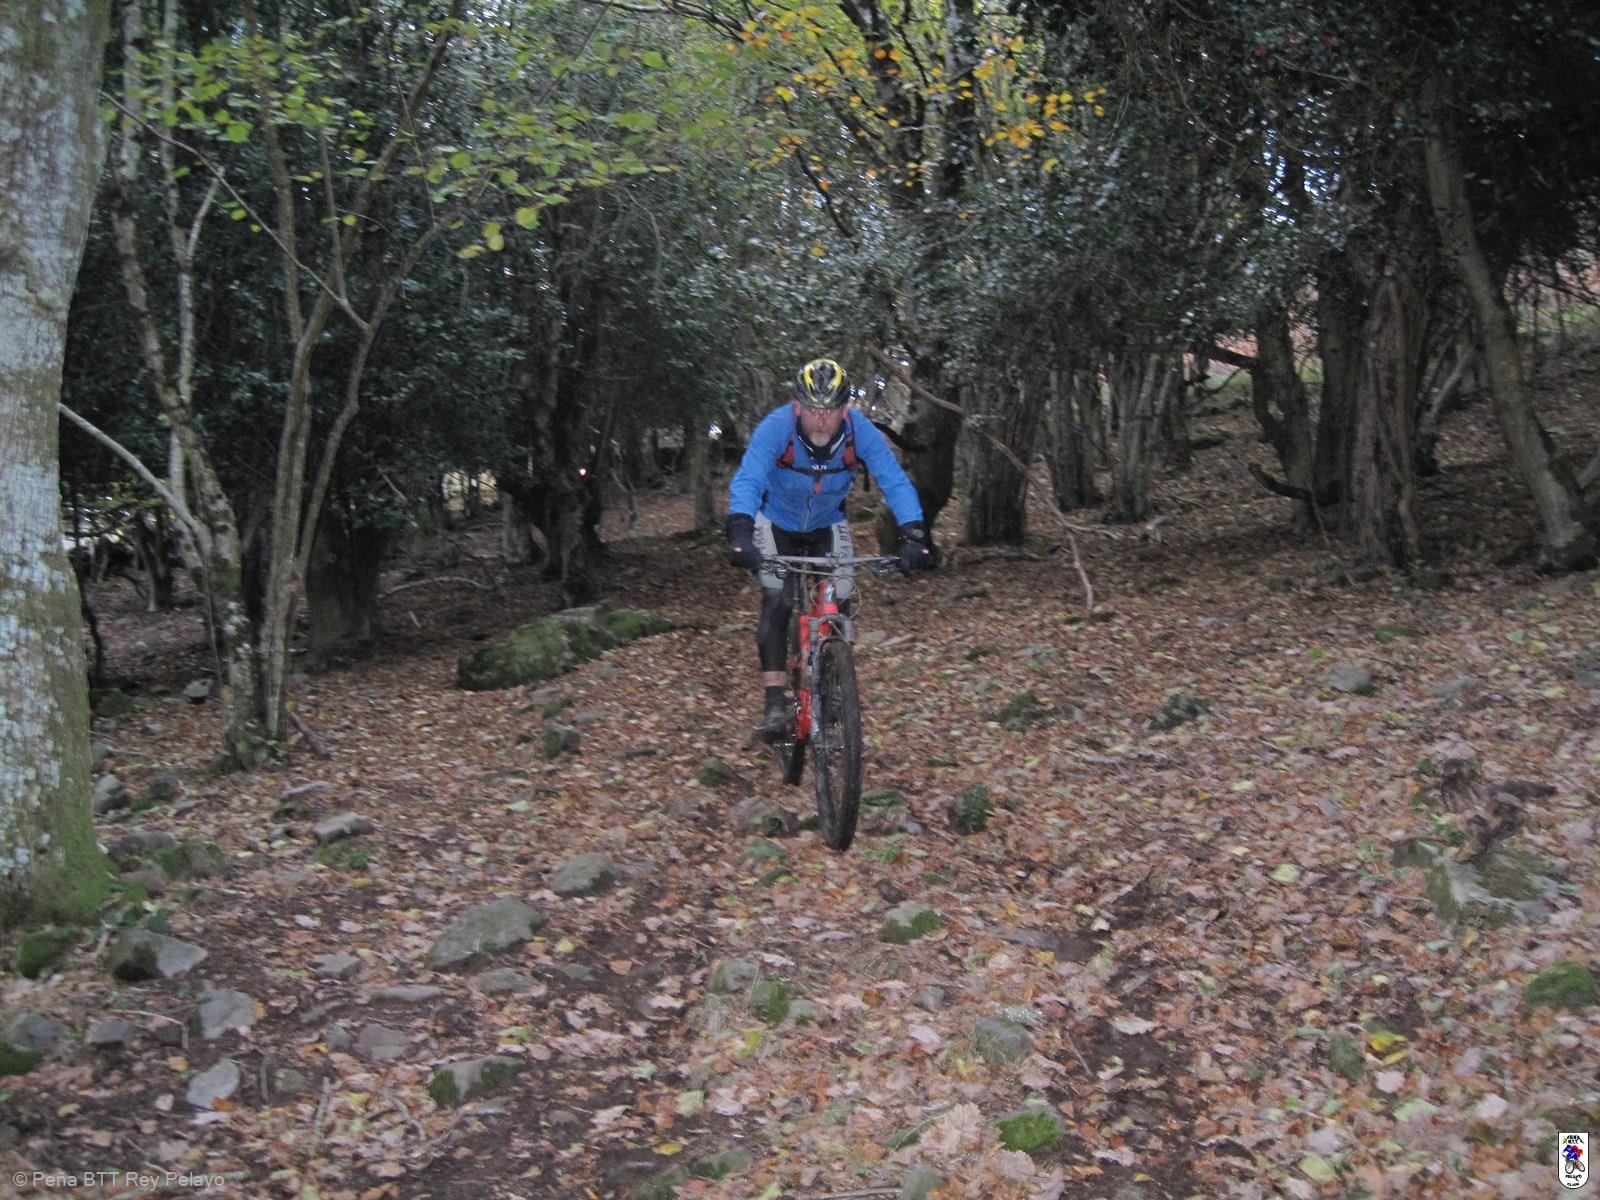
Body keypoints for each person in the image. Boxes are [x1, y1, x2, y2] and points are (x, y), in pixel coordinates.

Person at [725, 357, 933, 738]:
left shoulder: (860, 431)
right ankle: (775, 705)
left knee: (841, 595)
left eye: (831, 410)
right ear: (798, 405)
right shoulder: (776, 428)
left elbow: (894, 480)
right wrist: (740, 531)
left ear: (844, 409)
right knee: (778, 599)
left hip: (827, 523)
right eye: (813, 409)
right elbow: (748, 479)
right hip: (775, 522)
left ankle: (835, 680)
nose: (821, 420)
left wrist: (915, 534)